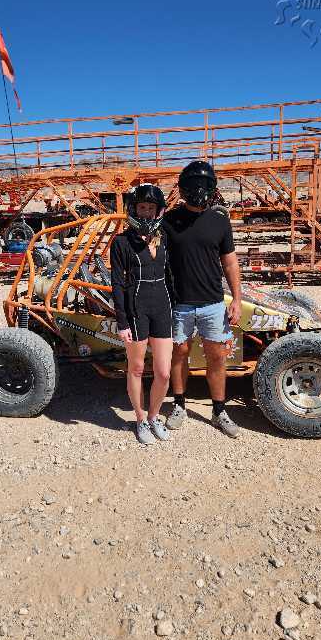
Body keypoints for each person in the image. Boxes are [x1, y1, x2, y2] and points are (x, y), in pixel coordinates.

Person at [162, 161, 242, 436]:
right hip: (179, 303)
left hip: (212, 303)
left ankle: (219, 410)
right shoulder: (169, 221)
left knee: (217, 357)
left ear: (211, 188)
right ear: (184, 189)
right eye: (193, 185)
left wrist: (237, 299)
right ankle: (179, 405)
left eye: (203, 185)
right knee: (179, 354)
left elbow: (230, 263)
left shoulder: (220, 221)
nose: (198, 191)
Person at [110, 184, 173, 445]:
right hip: (137, 311)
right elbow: (117, 283)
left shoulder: (165, 238)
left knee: (164, 373)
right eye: (142, 207)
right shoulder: (121, 242)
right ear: (134, 210)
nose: (146, 212)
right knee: (136, 368)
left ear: (158, 211)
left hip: (163, 309)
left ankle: (154, 416)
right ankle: (140, 419)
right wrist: (122, 321)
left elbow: (172, 276)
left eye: (151, 208)